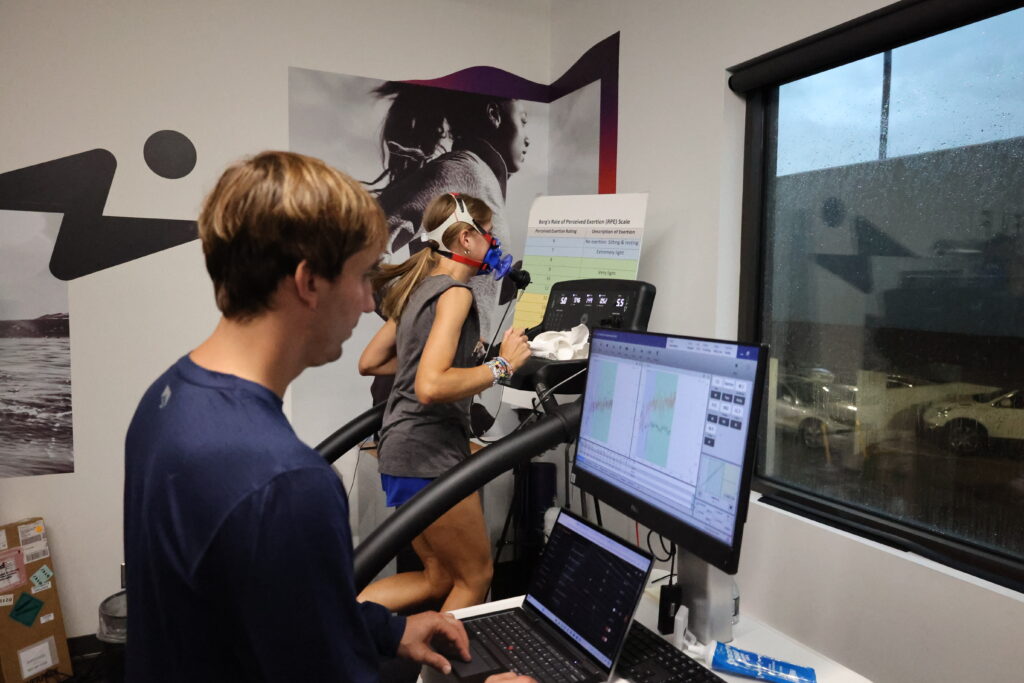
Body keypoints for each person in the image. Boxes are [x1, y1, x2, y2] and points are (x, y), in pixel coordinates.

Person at [123, 151, 532, 683]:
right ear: (308, 282)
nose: (368, 302)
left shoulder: (167, 397)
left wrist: (385, 631)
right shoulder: (290, 485)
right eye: (363, 276)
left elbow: (268, 609)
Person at [357, 193, 531, 613]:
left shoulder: (417, 286)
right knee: (476, 578)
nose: (494, 244)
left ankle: (341, 622)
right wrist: (503, 367)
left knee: (438, 577)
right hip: (429, 453)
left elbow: (371, 361)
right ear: (467, 238)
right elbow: (430, 386)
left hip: (400, 450)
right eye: (488, 234)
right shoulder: (457, 294)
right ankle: (437, 678)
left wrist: (455, 360)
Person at [368, 82, 530, 340]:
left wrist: (511, 281)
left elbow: (464, 285)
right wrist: (418, 327)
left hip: (455, 375)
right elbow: (365, 252)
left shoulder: (482, 179)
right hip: (424, 377)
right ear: (494, 115)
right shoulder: (461, 171)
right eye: (523, 122)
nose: (528, 138)